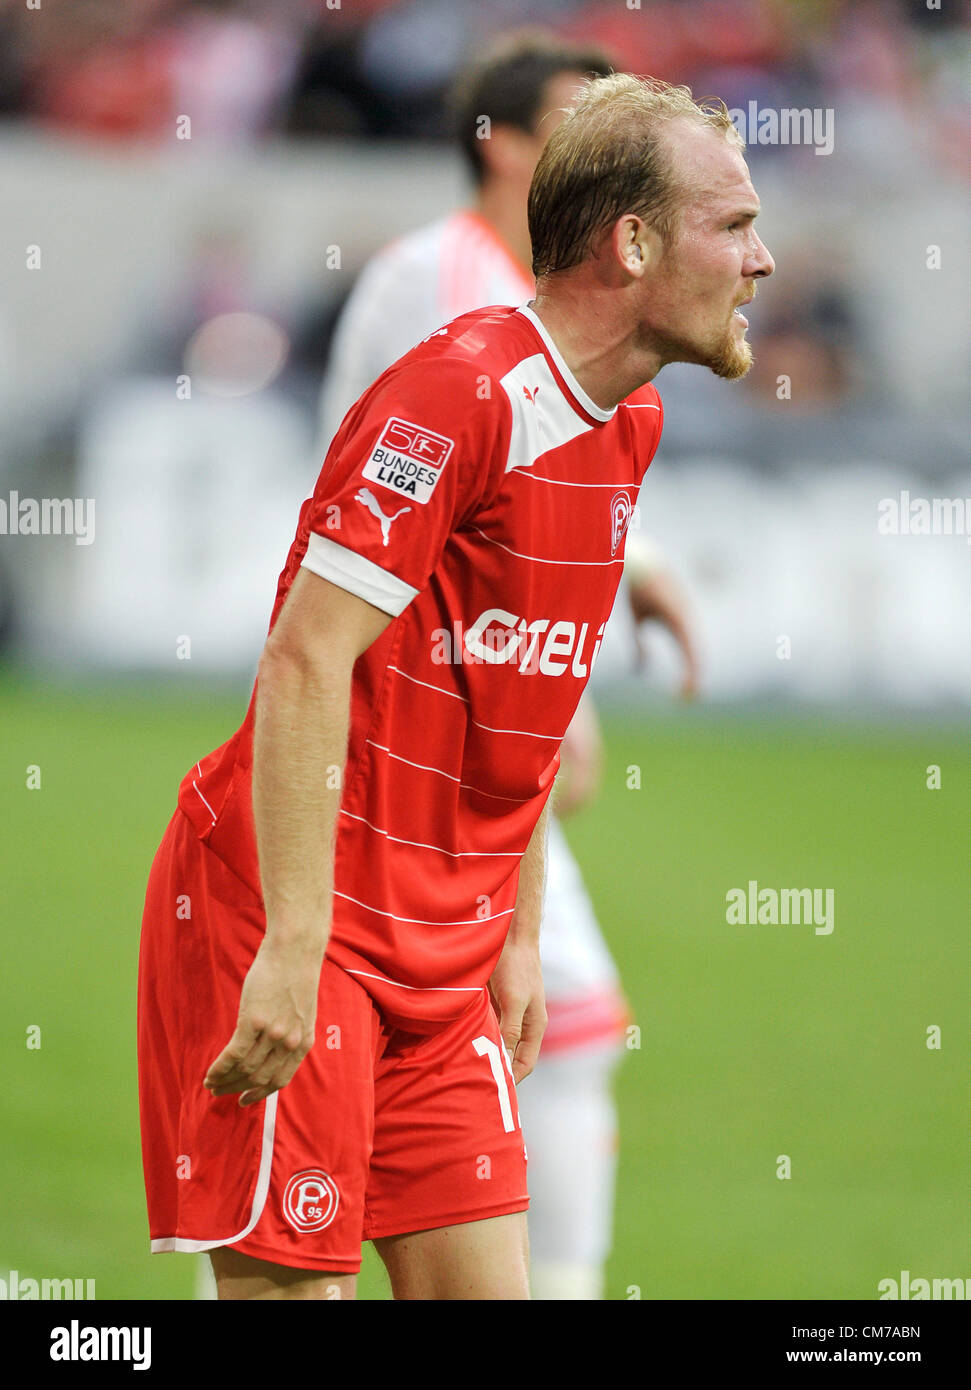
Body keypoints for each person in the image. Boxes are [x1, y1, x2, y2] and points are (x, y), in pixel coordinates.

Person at [137, 70, 773, 1301]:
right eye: (734, 225)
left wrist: (521, 930)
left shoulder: (624, 423)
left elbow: (522, 706)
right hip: (299, 921)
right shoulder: (460, 390)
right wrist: (293, 942)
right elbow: (306, 654)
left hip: (449, 957)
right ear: (632, 241)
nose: (759, 261)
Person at [317, 31, 701, 1300]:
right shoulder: (445, 283)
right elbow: (443, 488)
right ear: (501, 145)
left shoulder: (580, 354)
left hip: (472, 716)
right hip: (400, 725)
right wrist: (532, 708)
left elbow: (536, 485)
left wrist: (620, 591)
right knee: (538, 1018)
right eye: (569, 121)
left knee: (551, 1018)